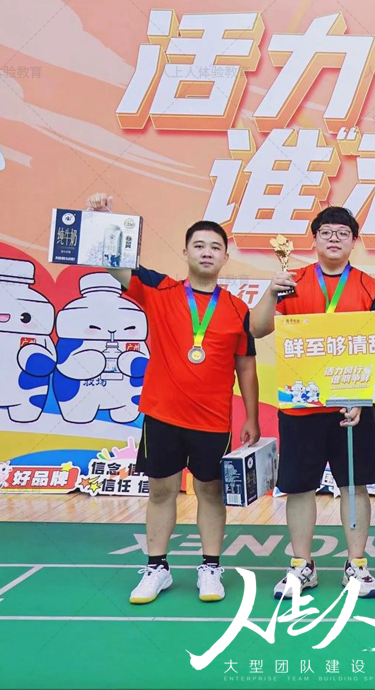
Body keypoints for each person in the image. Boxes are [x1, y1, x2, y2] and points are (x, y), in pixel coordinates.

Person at [86, 193, 260, 606]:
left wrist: (251, 417)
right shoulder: (159, 290)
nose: (206, 252)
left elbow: (247, 368)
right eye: (199, 245)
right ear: (185, 252)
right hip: (162, 415)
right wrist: (103, 220)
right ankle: (157, 567)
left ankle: (210, 567)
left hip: (213, 420)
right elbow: (116, 264)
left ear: (225, 257)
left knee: (210, 492)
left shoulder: (239, 310)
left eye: (215, 247)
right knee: (161, 491)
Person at [249, 206, 375, 600]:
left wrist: (363, 397)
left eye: (342, 233)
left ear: (354, 241)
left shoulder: (371, 288)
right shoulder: (291, 283)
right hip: (301, 405)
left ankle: (357, 564)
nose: (334, 238)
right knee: (300, 488)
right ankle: (301, 565)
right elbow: (257, 328)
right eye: (326, 232)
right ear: (314, 239)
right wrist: (271, 292)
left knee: (354, 486)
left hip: (352, 406)